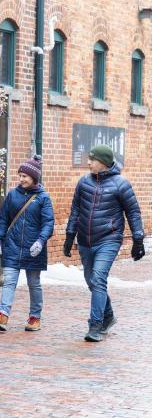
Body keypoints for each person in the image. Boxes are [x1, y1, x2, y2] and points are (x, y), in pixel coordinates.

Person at [64, 145, 145, 342]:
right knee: (92, 281)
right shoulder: (83, 182)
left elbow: (133, 212)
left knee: (98, 278)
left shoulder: (121, 185)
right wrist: (69, 236)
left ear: (103, 163)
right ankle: (108, 316)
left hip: (109, 239)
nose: (89, 162)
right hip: (85, 240)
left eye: (92, 159)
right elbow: (75, 210)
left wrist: (138, 239)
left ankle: (96, 325)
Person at [0, 156, 55, 332]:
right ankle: (2, 315)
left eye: (25, 176)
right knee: (9, 281)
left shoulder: (43, 198)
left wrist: (41, 241)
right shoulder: (12, 195)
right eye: (20, 175)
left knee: (34, 283)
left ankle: (35, 317)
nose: (22, 179)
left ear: (34, 177)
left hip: (33, 248)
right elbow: (3, 220)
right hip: (12, 246)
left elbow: (48, 223)